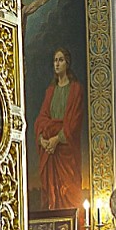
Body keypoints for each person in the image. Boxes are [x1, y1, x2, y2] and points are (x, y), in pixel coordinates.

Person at [34, 46, 84, 210]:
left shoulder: (75, 89)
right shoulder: (50, 91)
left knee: (69, 188)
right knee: (51, 189)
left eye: (60, 60)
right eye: (55, 60)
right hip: (50, 150)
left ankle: (73, 221)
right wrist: (42, 139)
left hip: (66, 149)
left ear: (67, 63)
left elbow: (74, 121)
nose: (57, 64)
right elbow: (42, 118)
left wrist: (57, 139)